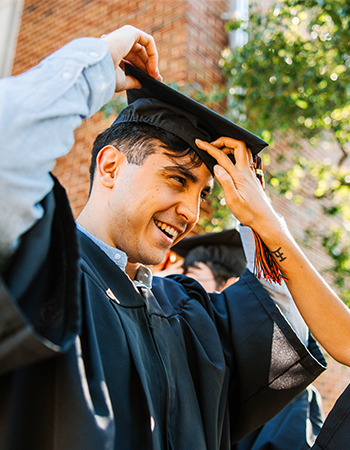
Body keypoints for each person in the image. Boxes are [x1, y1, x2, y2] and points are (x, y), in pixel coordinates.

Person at [0, 23, 344, 450]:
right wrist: (97, 62)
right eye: (177, 179)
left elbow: (286, 314)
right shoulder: (42, 268)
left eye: (203, 194)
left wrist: (259, 218)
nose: (192, 213)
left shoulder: (188, 314)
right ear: (109, 167)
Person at [160, 230, 325, 450]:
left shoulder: (280, 380)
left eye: (193, 281)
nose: (179, 291)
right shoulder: (180, 358)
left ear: (230, 286)